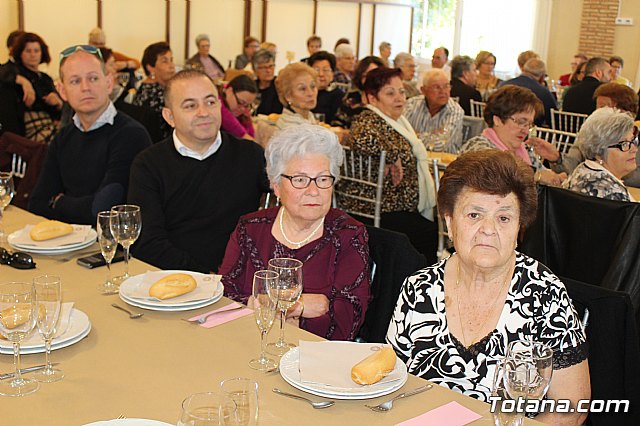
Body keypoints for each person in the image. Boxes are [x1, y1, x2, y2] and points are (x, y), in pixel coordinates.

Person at [386, 150, 590, 424]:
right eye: (474, 214)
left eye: (504, 218)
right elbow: (391, 380)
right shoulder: (419, 288)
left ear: (519, 228)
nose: (488, 229)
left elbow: (572, 407)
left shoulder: (544, 295)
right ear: (449, 221)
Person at [220, 124, 370, 340]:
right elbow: (226, 296)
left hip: (314, 360)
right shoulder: (250, 228)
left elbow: (347, 323)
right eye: (300, 179)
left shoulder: (348, 235)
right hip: (247, 345)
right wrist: (305, 306)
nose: (313, 191)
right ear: (276, 185)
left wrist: (285, 307)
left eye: (323, 179)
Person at [128, 70, 268, 273]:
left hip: (242, 277)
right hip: (177, 280)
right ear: (170, 116)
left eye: (210, 102)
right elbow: (147, 243)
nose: (204, 112)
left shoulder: (251, 156)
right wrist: (206, 277)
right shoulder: (148, 165)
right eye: (190, 106)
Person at [29, 45, 151, 225]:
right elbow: (36, 204)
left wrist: (58, 202)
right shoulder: (63, 137)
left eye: (93, 78)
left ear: (109, 83)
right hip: (67, 244)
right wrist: (77, 207)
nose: (85, 88)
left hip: (113, 248)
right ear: (63, 91)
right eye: (75, 81)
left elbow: (102, 209)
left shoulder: (131, 135)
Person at [342, 67, 438, 264]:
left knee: (439, 223)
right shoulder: (367, 120)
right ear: (372, 98)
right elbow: (359, 139)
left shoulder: (398, 121)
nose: (399, 98)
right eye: (390, 93)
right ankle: (420, 287)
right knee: (430, 232)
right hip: (378, 208)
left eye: (401, 91)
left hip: (399, 205)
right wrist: (392, 157)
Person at [460, 85, 566, 186]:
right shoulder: (477, 146)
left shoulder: (524, 150)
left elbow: (547, 177)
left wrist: (556, 164)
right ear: (497, 120)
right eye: (520, 122)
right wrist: (538, 176)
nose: (525, 130)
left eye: (529, 124)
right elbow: (496, 168)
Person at [550, 82, 640, 188]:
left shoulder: (635, 138)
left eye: (603, 108)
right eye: (598, 107)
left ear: (623, 112)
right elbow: (569, 168)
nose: (597, 112)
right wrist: (556, 159)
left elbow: (636, 179)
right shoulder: (592, 134)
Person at [563, 107, 637, 201]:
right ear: (599, 152)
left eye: (632, 141)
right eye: (624, 144)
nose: (634, 149)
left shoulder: (582, 170)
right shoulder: (613, 194)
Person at [12, 32, 63, 142]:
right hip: (30, 126)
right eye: (28, 51)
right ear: (21, 53)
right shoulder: (14, 71)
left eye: (36, 51)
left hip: (51, 123)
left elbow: (59, 110)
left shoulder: (46, 78)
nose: (33, 55)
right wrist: (23, 81)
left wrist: (58, 103)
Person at [405, 69, 464, 153]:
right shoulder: (411, 104)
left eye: (446, 86)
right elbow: (400, 134)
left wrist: (413, 135)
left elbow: (439, 145)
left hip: (443, 163)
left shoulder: (455, 111)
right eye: (436, 87)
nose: (443, 91)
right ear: (423, 90)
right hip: (413, 158)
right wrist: (433, 135)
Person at [133, 41, 176, 139]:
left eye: (171, 60)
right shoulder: (157, 95)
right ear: (150, 68)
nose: (172, 65)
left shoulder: (144, 88)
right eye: (164, 61)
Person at [499, 58, 557, 127]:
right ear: (542, 77)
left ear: (523, 70)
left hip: (501, 126)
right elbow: (553, 119)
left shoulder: (503, 85)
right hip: (530, 131)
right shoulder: (544, 92)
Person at [333, 56, 384, 129]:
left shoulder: (387, 100)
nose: (369, 80)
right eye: (365, 76)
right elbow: (337, 123)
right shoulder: (352, 99)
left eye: (374, 75)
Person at [274, 63, 318, 129]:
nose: (310, 93)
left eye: (313, 86)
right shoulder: (290, 127)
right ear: (288, 96)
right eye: (302, 89)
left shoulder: (308, 117)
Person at [308, 51, 342, 124]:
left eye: (326, 70)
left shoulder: (339, 95)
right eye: (316, 70)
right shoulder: (305, 94)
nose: (321, 74)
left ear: (333, 73)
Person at [219, 74, 257, 140]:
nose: (242, 108)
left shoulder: (244, 111)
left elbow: (251, 134)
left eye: (247, 105)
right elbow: (239, 132)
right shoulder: (217, 102)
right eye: (240, 102)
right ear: (229, 91)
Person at [253, 49, 283, 115]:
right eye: (264, 67)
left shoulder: (280, 85)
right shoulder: (251, 87)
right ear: (255, 70)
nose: (268, 70)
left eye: (271, 66)